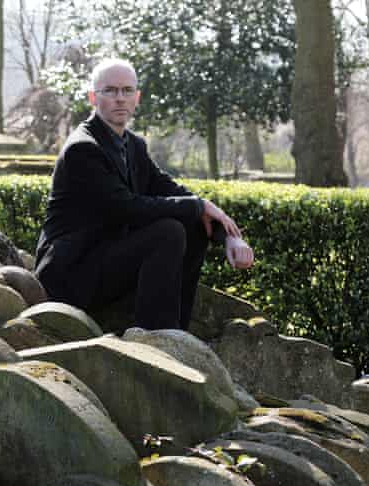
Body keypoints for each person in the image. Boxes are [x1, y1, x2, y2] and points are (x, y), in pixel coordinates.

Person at [34, 58, 254, 331]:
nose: (120, 99)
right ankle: (156, 338)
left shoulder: (133, 145)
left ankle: (177, 333)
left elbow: (170, 191)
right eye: (110, 91)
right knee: (168, 230)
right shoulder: (83, 149)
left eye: (127, 91)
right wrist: (197, 205)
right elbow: (127, 208)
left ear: (137, 98)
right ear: (93, 97)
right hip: (73, 273)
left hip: (108, 261)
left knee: (192, 225)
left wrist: (229, 237)